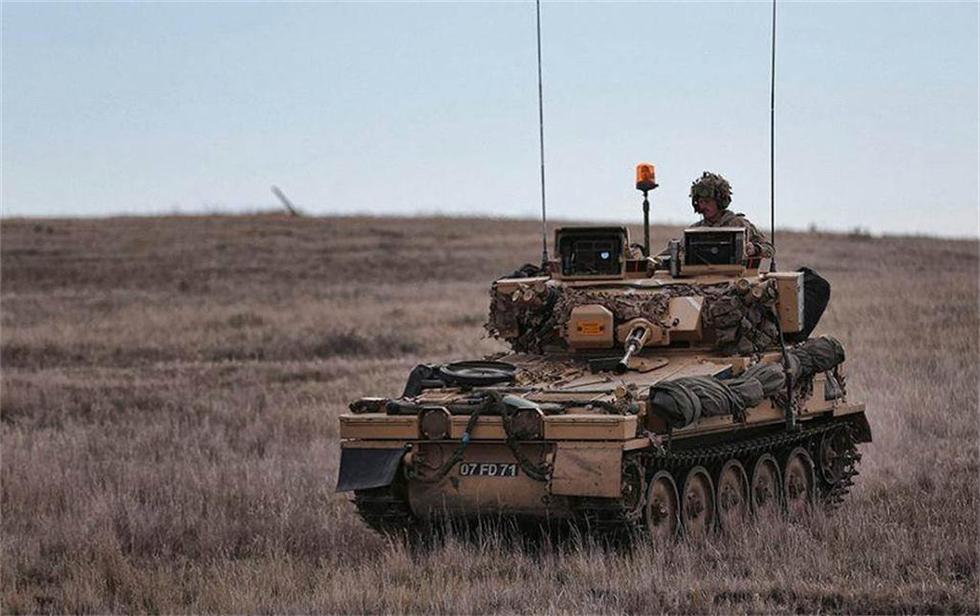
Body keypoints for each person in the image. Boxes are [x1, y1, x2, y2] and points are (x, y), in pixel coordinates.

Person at [689, 171, 774, 259]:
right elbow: (682, 252)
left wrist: (756, 249)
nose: (703, 206)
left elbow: (769, 249)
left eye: (707, 202)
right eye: (700, 202)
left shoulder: (739, 224)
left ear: (719, 202)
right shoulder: (694, 230)